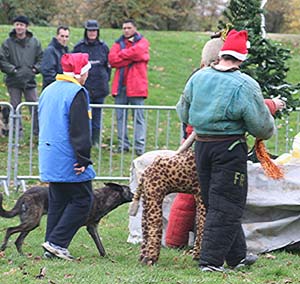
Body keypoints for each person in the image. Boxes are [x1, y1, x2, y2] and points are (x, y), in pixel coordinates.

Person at [176, 29, 276, 272]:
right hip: (229, 150)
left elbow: (183, 112)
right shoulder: (244, 84)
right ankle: (210, 262)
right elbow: (261, 126)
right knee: (227, 205)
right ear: (242, 58)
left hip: (202, 148)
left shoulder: (198, 78)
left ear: (222, 54)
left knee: (216, 202)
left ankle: (237, 257)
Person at [39, 53, 95, 260]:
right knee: (83, 200)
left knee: (58, 201)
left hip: (49, 153)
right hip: (68, 156)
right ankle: (57, 242)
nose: (88, 75)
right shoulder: (76, 92)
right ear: (80, 72)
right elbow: (79, 128)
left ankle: (50, 246)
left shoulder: (49, 89)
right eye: (87, 70)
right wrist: (83, 158)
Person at [108, 19, 150, 156]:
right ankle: (123, 144)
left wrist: (123, 55)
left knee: (138, 117)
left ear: (135, 28)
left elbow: (138, 53)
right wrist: (132, 56)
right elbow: (112, 59)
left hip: (137, 86)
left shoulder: (142, 41)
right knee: (120, 117)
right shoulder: (117, 42)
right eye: (124, 28)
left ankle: (139, 146)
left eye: (129, 27)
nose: (126, 30)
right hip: (121, 86)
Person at [0, 15, 43, 137]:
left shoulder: (35, 42)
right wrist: (12, 70)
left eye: (22, 25)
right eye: (17, 24)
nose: (19, 27)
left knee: (34, 107)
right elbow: (2, 60)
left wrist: (35, 69)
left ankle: (37, 133)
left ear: (26, 27)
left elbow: (41, 58)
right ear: (14, 26)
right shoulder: (7, 43)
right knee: (14, 107)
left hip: (30, 81)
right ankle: (18, 133)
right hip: (13, 81)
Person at [73, 20, 111, 146]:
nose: (92, 33)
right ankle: (85, 141)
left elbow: (108, 67)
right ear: (86, 31)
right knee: (84, 117)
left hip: (100, 88)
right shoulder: (79, 48)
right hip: (84, 88)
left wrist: (105, 80)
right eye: (90, 30)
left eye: (94, 30)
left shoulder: (103, 47)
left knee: (97, 118)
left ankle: (95, 141)